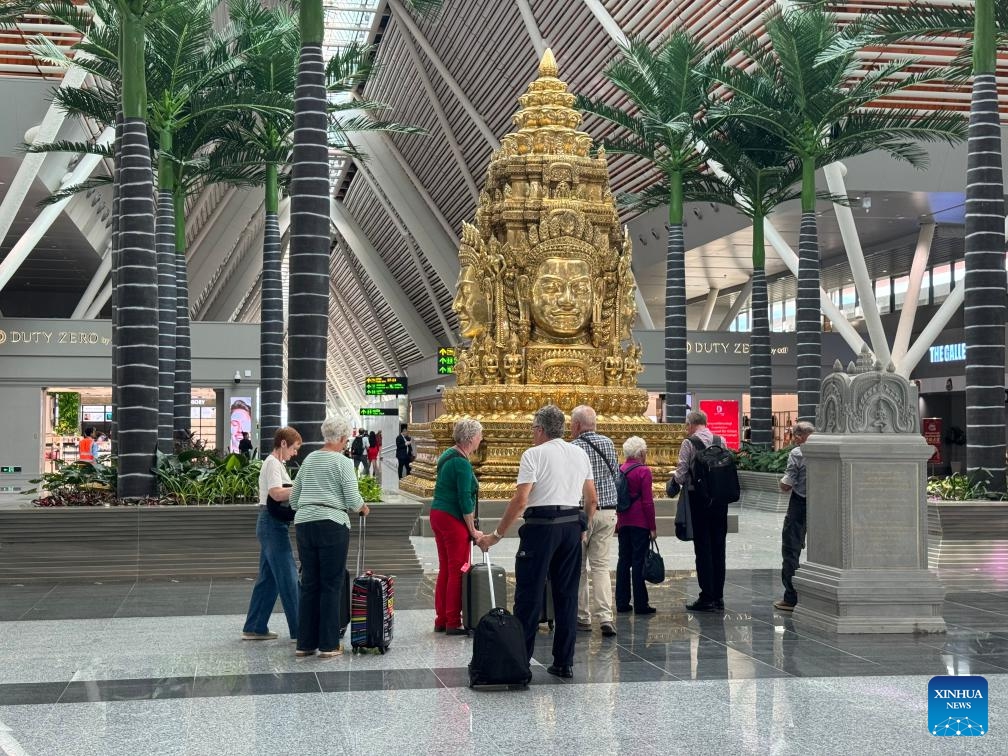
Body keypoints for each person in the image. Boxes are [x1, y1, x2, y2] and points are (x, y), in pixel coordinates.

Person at [477, 405, 598, 680]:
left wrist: (496, 534)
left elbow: (521, 500)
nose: (533, 434)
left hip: (541, 528)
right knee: (566, 596)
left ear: (541, 429)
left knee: (529, 595)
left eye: (533, 429)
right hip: (571, 527)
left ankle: (521, 662)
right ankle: (563, 662)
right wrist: (584, 528)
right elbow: (592, 499)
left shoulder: (533, 454)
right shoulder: (580, 453)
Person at [291, 416, 369, 658]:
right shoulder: (343, 462)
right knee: (331, 583)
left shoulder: (309, 459)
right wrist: (363, 508)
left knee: (309, 583)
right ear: (344, 439)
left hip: (304, 523)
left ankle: (305, 644)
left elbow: (294, 498)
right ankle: (328, 644)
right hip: (332, 524)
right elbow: (353, 499)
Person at [242, 426, 302, 642]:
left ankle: (255, 626)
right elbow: (276, 494)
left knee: (269, 579)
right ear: (283, 443)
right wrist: (302, 486)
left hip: (271, 523)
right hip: (272, 524)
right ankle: (301, 630)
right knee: (288, 576)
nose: (295, 453)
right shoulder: (272, 463)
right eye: (294, 448)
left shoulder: (277, 464)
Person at [430, 418, 484, 635]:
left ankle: (441, 618)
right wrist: (473, 530)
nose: (481, 439)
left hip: (438, 514)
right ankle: (453, 621)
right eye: (480, 435)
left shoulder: (447, 455)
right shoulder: (461, 463)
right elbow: (465, 500)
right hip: (453, 519)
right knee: (458, 571)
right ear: (471, 438)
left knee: (445, 569)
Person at [569, 405, 618, 637]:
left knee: (579, 567)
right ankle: (606, 616)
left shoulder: (573, 448)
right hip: (607, 511)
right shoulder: (608, 443)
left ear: (577, 425)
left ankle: (582, 617)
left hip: (580, 512)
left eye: (571, 423)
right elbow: (616, 475)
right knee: (600, 566)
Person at [672, 409, 726, 613]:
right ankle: (719, 596)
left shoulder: (689, 443)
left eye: (687, 425)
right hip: (719, 500)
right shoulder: (721, 441)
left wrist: (673, 483)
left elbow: (682, 470)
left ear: (691, 424)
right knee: (719, 548)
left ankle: (707, 597)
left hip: (699, 500)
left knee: (703, 548)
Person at [615, 435, 658, 616]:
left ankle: (622, 602)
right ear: (641, 452)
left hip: (623, 520)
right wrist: (652, 527)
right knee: (638, 561)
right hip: (640, 522)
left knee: (623, 560)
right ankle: (641, 603)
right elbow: (647, 502)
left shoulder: (620, 469)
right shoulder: (643, 471)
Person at [775, 421, 814, 612]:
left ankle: (791, 597)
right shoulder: (824, 451)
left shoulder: (798, 453)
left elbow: (788, 483)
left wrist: (781, 484)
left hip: (800, 503)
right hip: (822, 505)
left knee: (791, 549)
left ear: (799, 436)